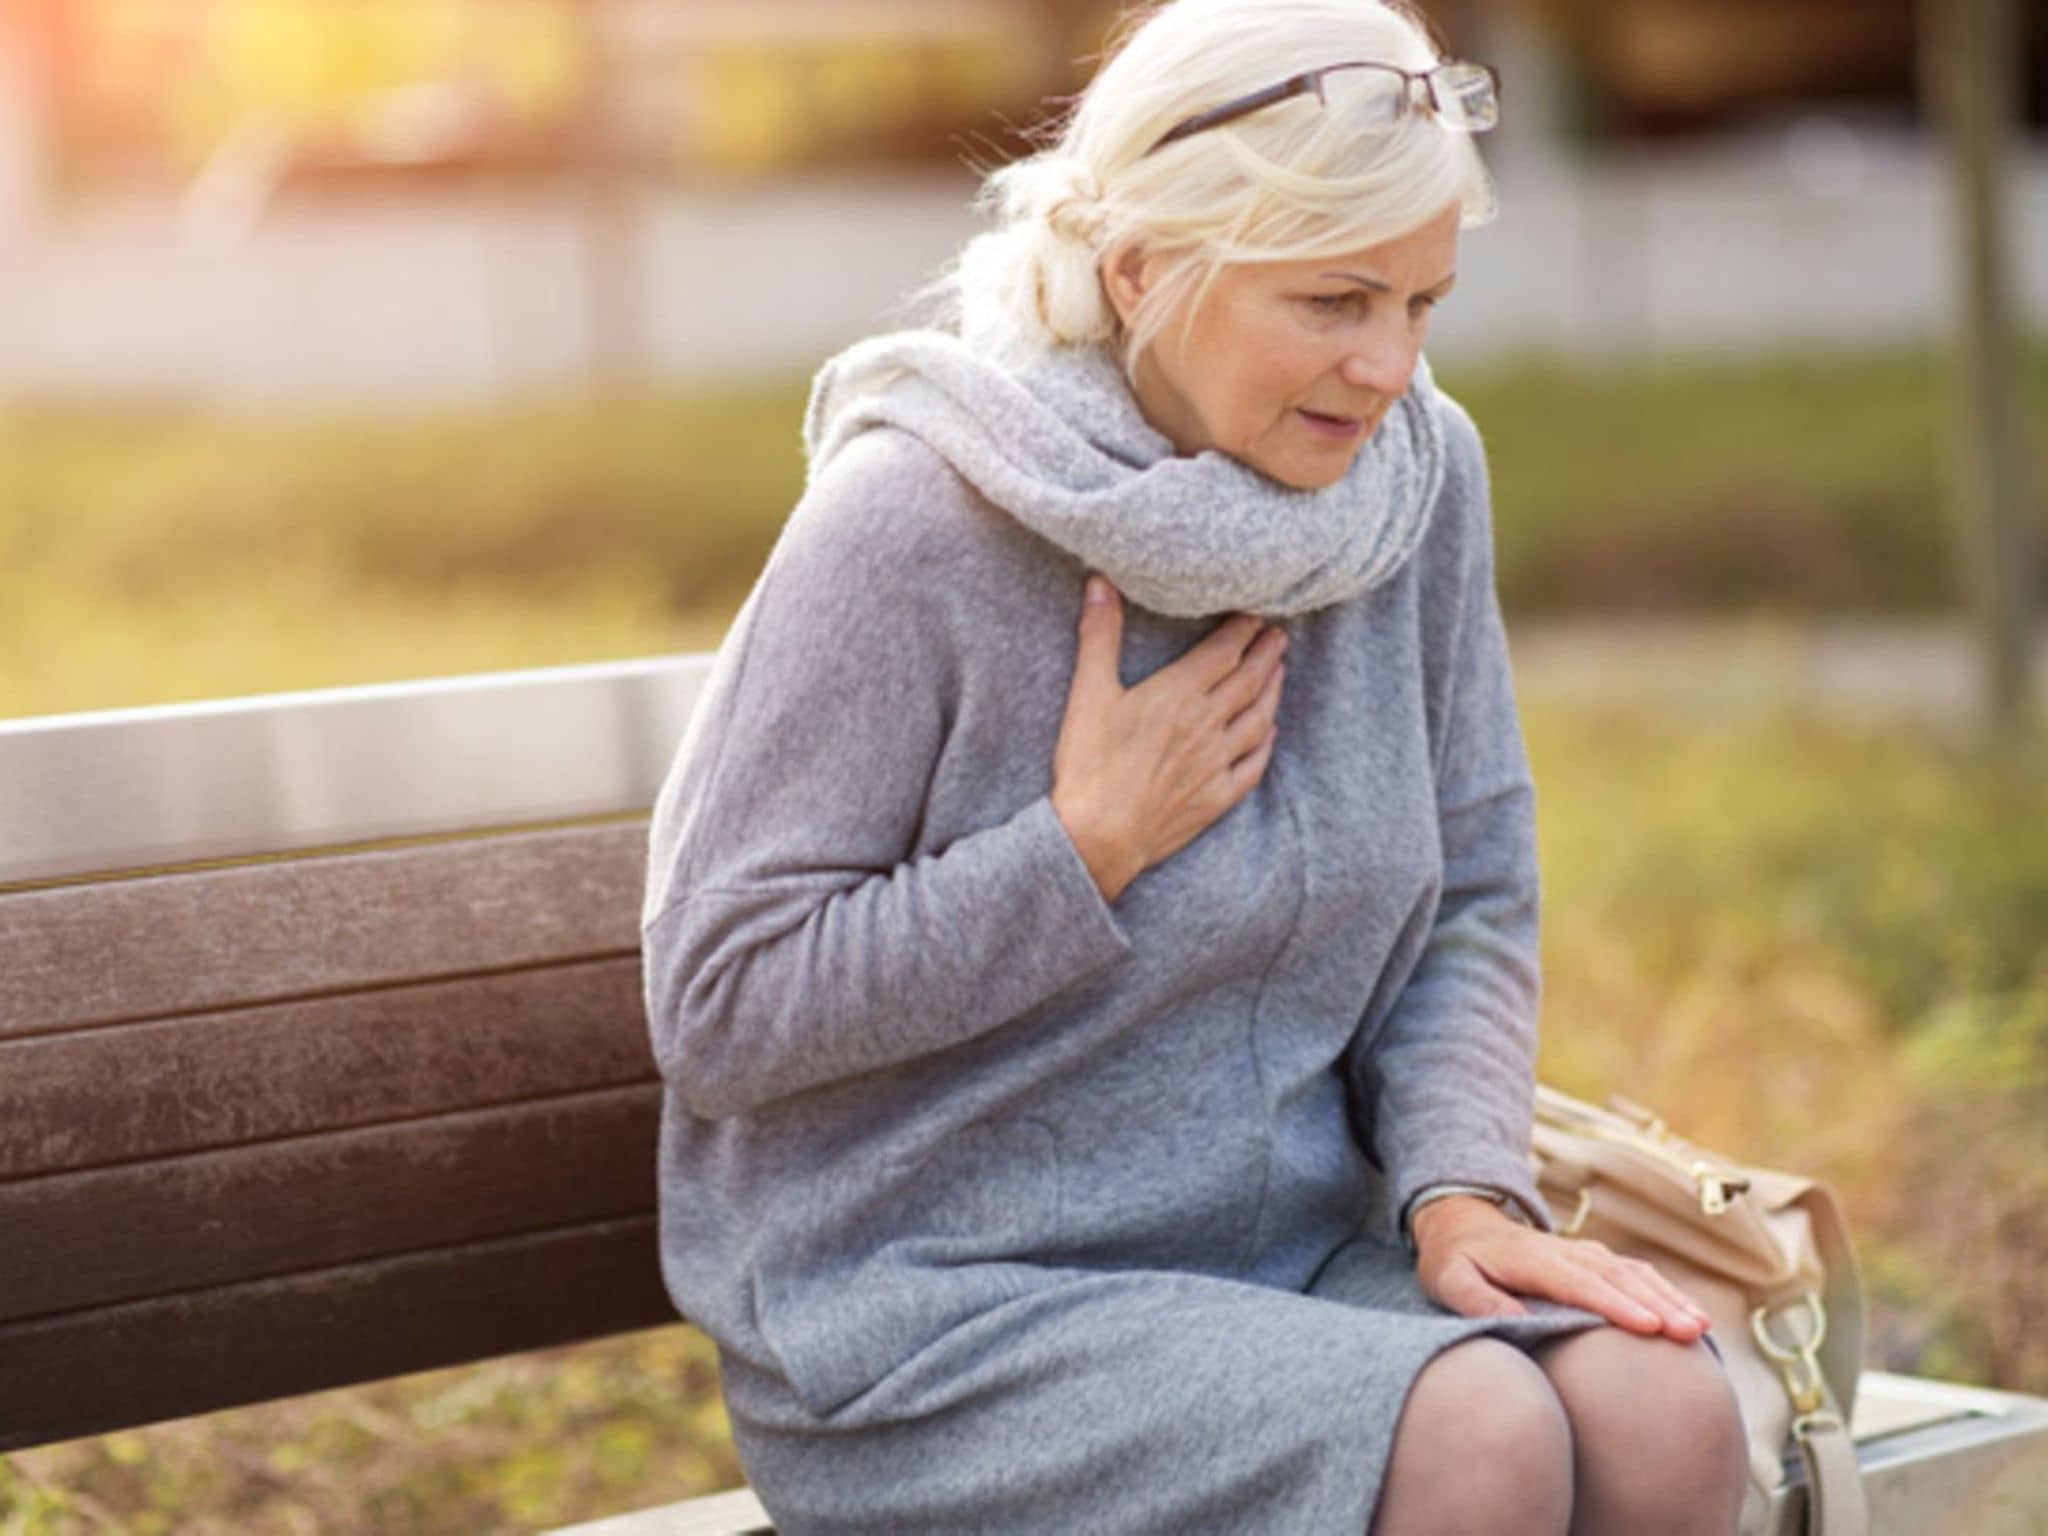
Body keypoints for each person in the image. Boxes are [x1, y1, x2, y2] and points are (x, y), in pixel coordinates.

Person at [640, 0, 1752, 1530]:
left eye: (1423, 303)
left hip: (1286, 1259)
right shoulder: (914, 522)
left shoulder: (1416, 484)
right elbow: (720, 1004)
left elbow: (1474, 894)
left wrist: (1459, 1187)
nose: (1385, 368)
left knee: (1663, 1409)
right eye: (1333, 301)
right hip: (945, 1314)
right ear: (1146, 269)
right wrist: (1076, 850)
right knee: (1480, 1436)